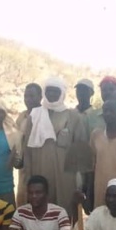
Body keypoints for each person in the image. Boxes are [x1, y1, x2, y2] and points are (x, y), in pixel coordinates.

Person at [20, 77, 89, 218]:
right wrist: (28, 178)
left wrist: (81, 184)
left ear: (62, 93)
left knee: (66, 213)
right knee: (42, 213)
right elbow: (27, 151)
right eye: (49, 91)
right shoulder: (35, 115)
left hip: (66, 177)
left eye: (55, 91)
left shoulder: (73, 117)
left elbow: (81, 151)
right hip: (40, 173)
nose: (51, 94)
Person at [16, 83, 43, 206]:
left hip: (41, 167)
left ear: (40, 97)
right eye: (26, 96)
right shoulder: (22, 117)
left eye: (32, 96)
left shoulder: (46, 115)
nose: (28, 99)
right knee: (23, 202)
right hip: (24, 168)